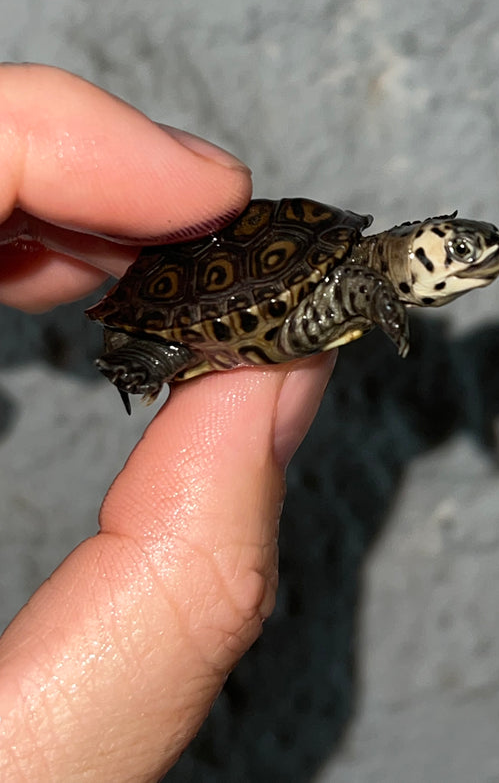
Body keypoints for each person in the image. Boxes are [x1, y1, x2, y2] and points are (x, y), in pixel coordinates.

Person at [0, 65, 336, 782]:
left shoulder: (344, 273)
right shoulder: (336, 266)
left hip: (234, 296)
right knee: (161, 345)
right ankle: (138, 350)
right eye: (458, 252)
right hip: (193, 310)